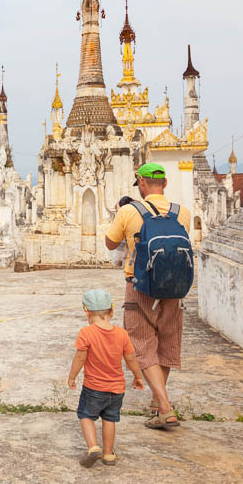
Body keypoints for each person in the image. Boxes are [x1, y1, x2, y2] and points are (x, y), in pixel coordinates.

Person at [104, 162, 192, 430]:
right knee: (166, 343)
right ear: (165, 184)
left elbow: (110, 243)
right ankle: (157, 403)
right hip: (174, 287)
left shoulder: (130, 211)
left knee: (142, 344)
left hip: (140, 285)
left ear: (141, 184)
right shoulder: (183, 213)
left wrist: (119, 216)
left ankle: (164, 407)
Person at [67, 288, 145, 467]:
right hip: (117, 389)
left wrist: (72, 377)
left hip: (94, 388)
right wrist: (138, 376)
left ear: (87, 312)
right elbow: (131, 357)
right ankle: (109, 454)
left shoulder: (86, 333)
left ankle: (93, 447)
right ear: (111, 311)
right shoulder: (122, 334)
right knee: (110, 419)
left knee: (85, 415)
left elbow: (80, 357)